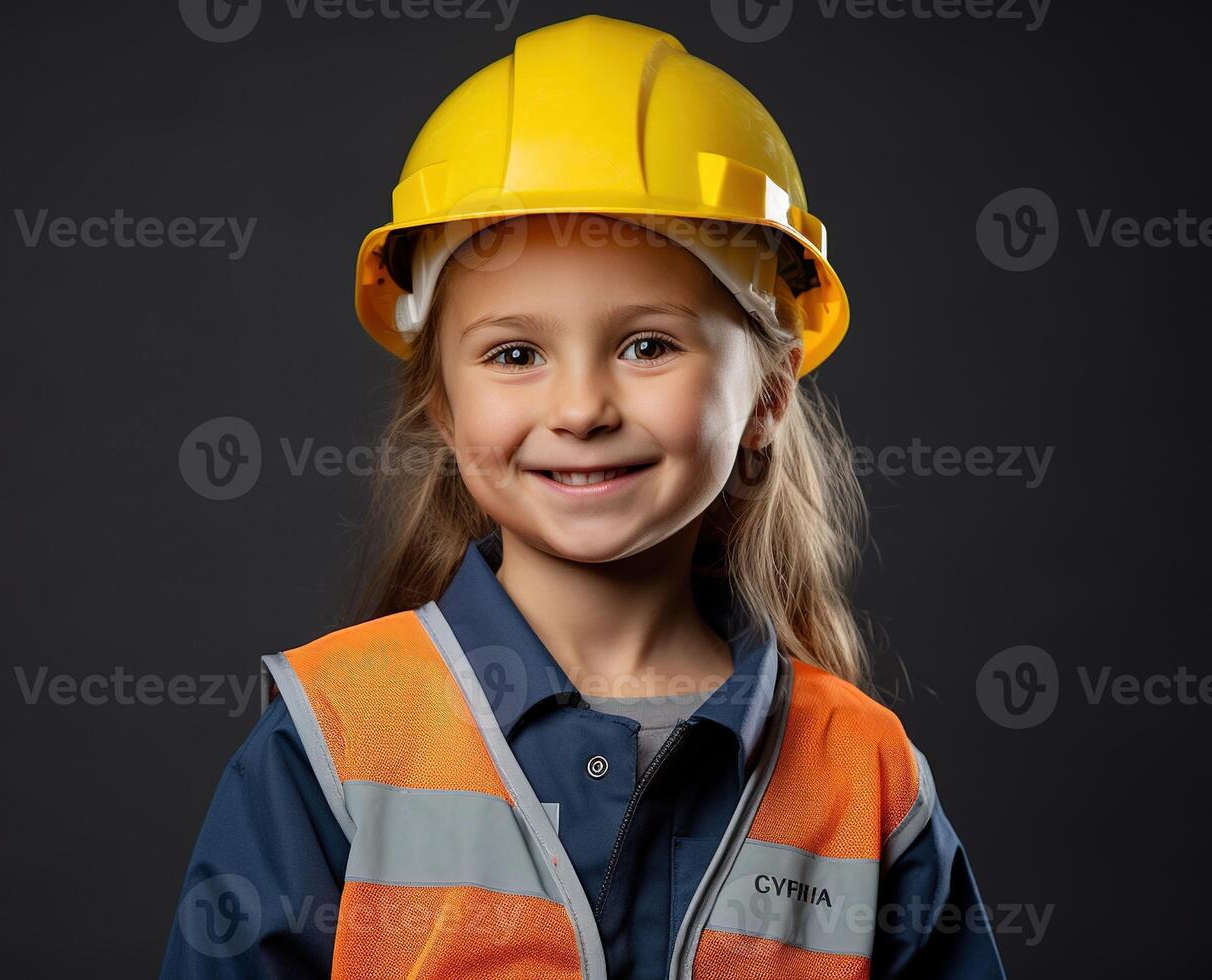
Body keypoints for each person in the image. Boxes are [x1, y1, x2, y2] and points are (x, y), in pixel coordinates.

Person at [160, 14, 1006, 980]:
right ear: (441, 403)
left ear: (768, 393)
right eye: (515, 354)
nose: (580, 408)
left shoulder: (865, 777)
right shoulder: (333, 745)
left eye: (649, 344)